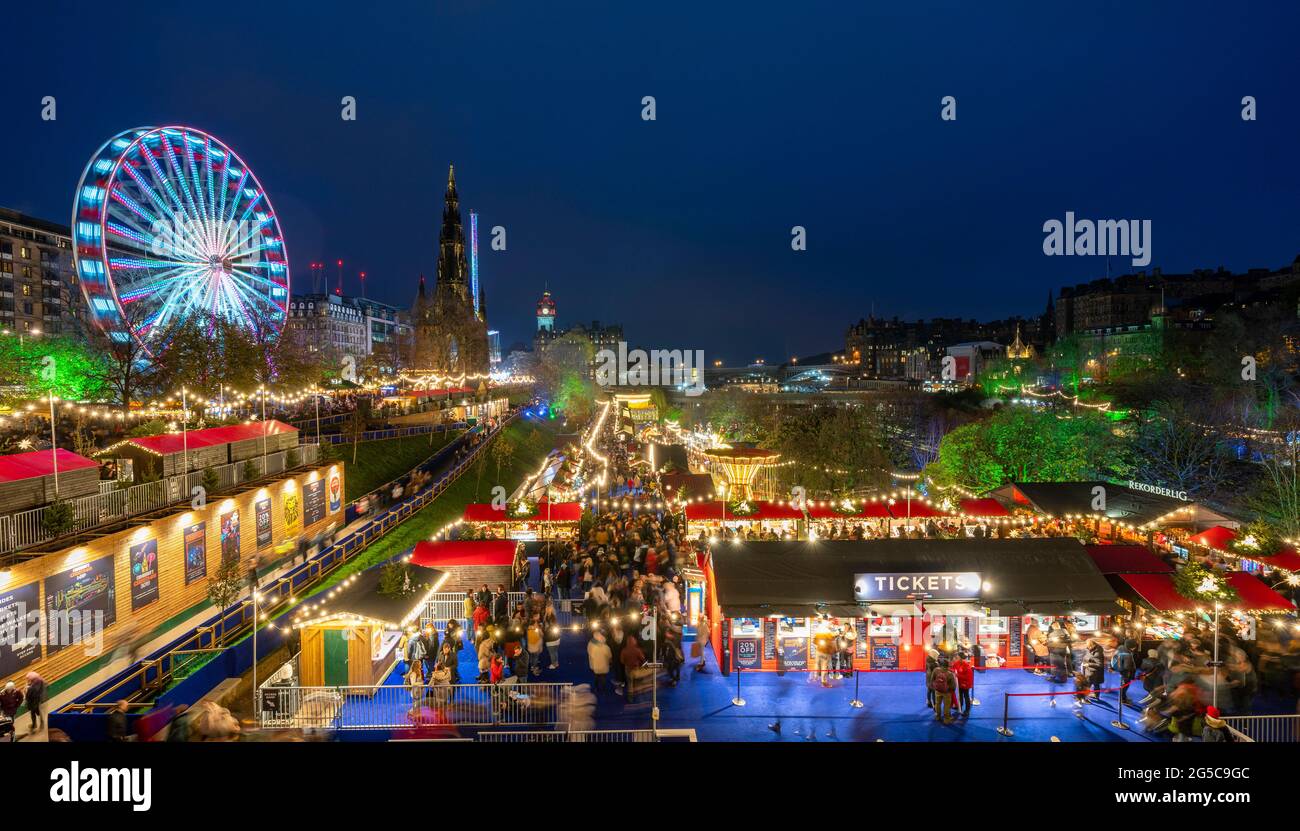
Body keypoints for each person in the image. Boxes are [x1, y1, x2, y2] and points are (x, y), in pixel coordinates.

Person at [930, 658, 956, 724]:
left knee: (937, 704)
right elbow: (953, 685)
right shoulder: (950, 673)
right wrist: (950, 690)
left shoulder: (936, 670)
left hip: (937, 691)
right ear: (947, 665)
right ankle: (946, 719)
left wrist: (934, 687)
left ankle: (938, 716)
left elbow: (932, 679)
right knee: (946, 706)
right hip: (946, 692)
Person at [1111, 639, 1137, 705]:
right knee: (1125, 686)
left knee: (1123, 686)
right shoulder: (1127, 655)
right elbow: (1127, 667)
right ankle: (1123, 700)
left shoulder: (1121, 648)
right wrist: (1131, 673)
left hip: (1121, 671)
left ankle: (1123, 698)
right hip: (1126, 673)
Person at [952, 652, 975, 717]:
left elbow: (968, 677)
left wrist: (958, 675)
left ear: (961, 657)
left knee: (966, 696)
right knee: (960, 696)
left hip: (965, 684)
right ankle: (960, 707)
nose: (957, 657)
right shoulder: (957, 663)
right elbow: (953, 668)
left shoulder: (966, 666)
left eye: (958, 656)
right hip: (959, 684)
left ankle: (967, 710)